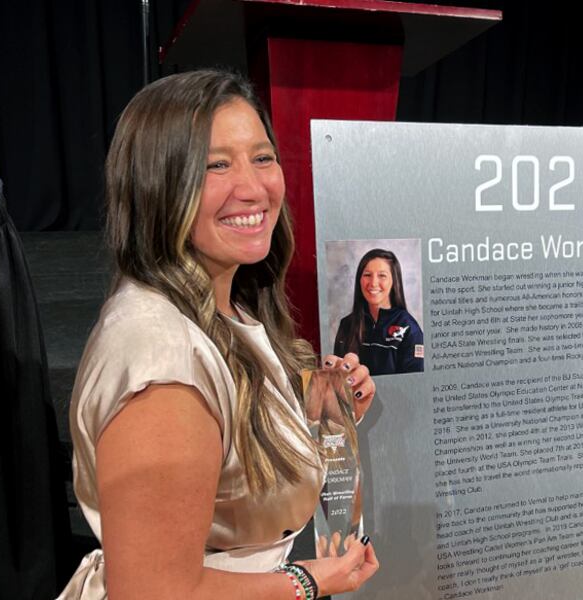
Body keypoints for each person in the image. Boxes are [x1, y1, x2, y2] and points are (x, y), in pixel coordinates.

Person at [58, 70, 378, 600]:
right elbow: (154, 593)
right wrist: (308, 581)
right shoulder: (163, 357)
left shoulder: (229, 306)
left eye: (262, 157)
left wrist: (323, 418)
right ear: (158, 185)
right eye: (216, 165)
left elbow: (232, 480)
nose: (252, 188)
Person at [334, 249, 424, 375]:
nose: (373, 283)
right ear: (359, 280)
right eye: (367, 275)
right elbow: (338, 378)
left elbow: (414, 382)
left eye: (382, 275)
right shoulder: (347, 324)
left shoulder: (409, 328)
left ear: (394, 281)